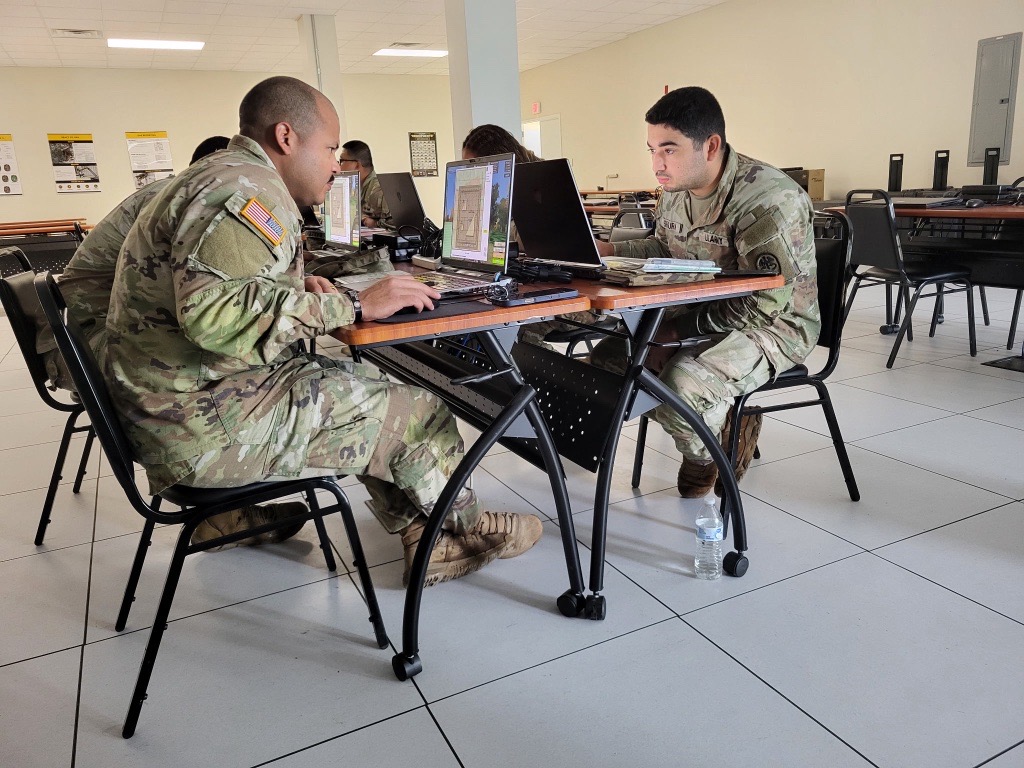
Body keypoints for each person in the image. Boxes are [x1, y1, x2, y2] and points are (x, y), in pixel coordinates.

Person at [103, 76, 542, 585]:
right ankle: (469, 526)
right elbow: (213, 316)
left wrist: (296, 291)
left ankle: (428, 534)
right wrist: (354, 303)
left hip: (178, 403)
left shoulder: (225, 175)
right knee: (420, 412)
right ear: (287, 138)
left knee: (362, 389)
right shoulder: (246, 190)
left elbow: (219, 295)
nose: (338, 164)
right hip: (198, 424)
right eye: (331, 147)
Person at [592, 86, 820, 498]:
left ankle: (709, 451)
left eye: (669, 150)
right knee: (609, 360)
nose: (657, 164)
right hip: (700, 309)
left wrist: (676, 334)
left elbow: (766, 302)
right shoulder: (676, 190)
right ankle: (717, 422)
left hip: (776, 326)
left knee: (680, 383)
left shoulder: (768, 201)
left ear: (710, 146)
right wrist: (609, 251)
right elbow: (664, 250)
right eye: (652, 150)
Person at [39, 136, 231, 392]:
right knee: (233, 359)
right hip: (80, 345)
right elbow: (199, 293)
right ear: (216, 164)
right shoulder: (178, 199)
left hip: (80, 333)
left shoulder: (172, 191)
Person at [338, 140, 392, 229]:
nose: (339, 166)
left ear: (357, 165)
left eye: (342, 161)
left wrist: (375, 224)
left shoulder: (379, 190)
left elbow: (402, 224)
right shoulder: (355, 187)